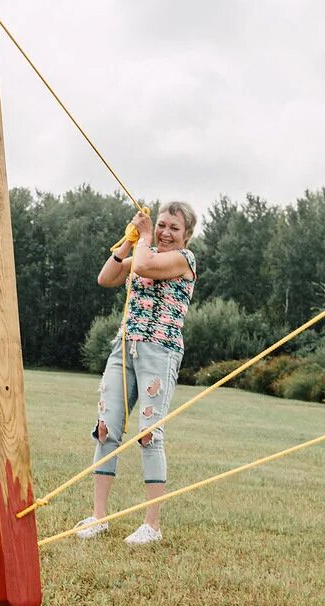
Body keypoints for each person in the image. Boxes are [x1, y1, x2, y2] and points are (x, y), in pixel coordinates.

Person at [77, 202, 197, 546]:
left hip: (160, 352)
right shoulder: (144, 252)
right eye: (161, 225)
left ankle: (152, 525)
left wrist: (144, 238)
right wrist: (130, 240)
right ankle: (99, 517)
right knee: (105, 429)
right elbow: (107, 277)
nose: (165, 232)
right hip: (124, 347)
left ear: (186, 235)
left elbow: (146, 265)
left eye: (174, 228)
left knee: (149, 433)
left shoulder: (183, 260)